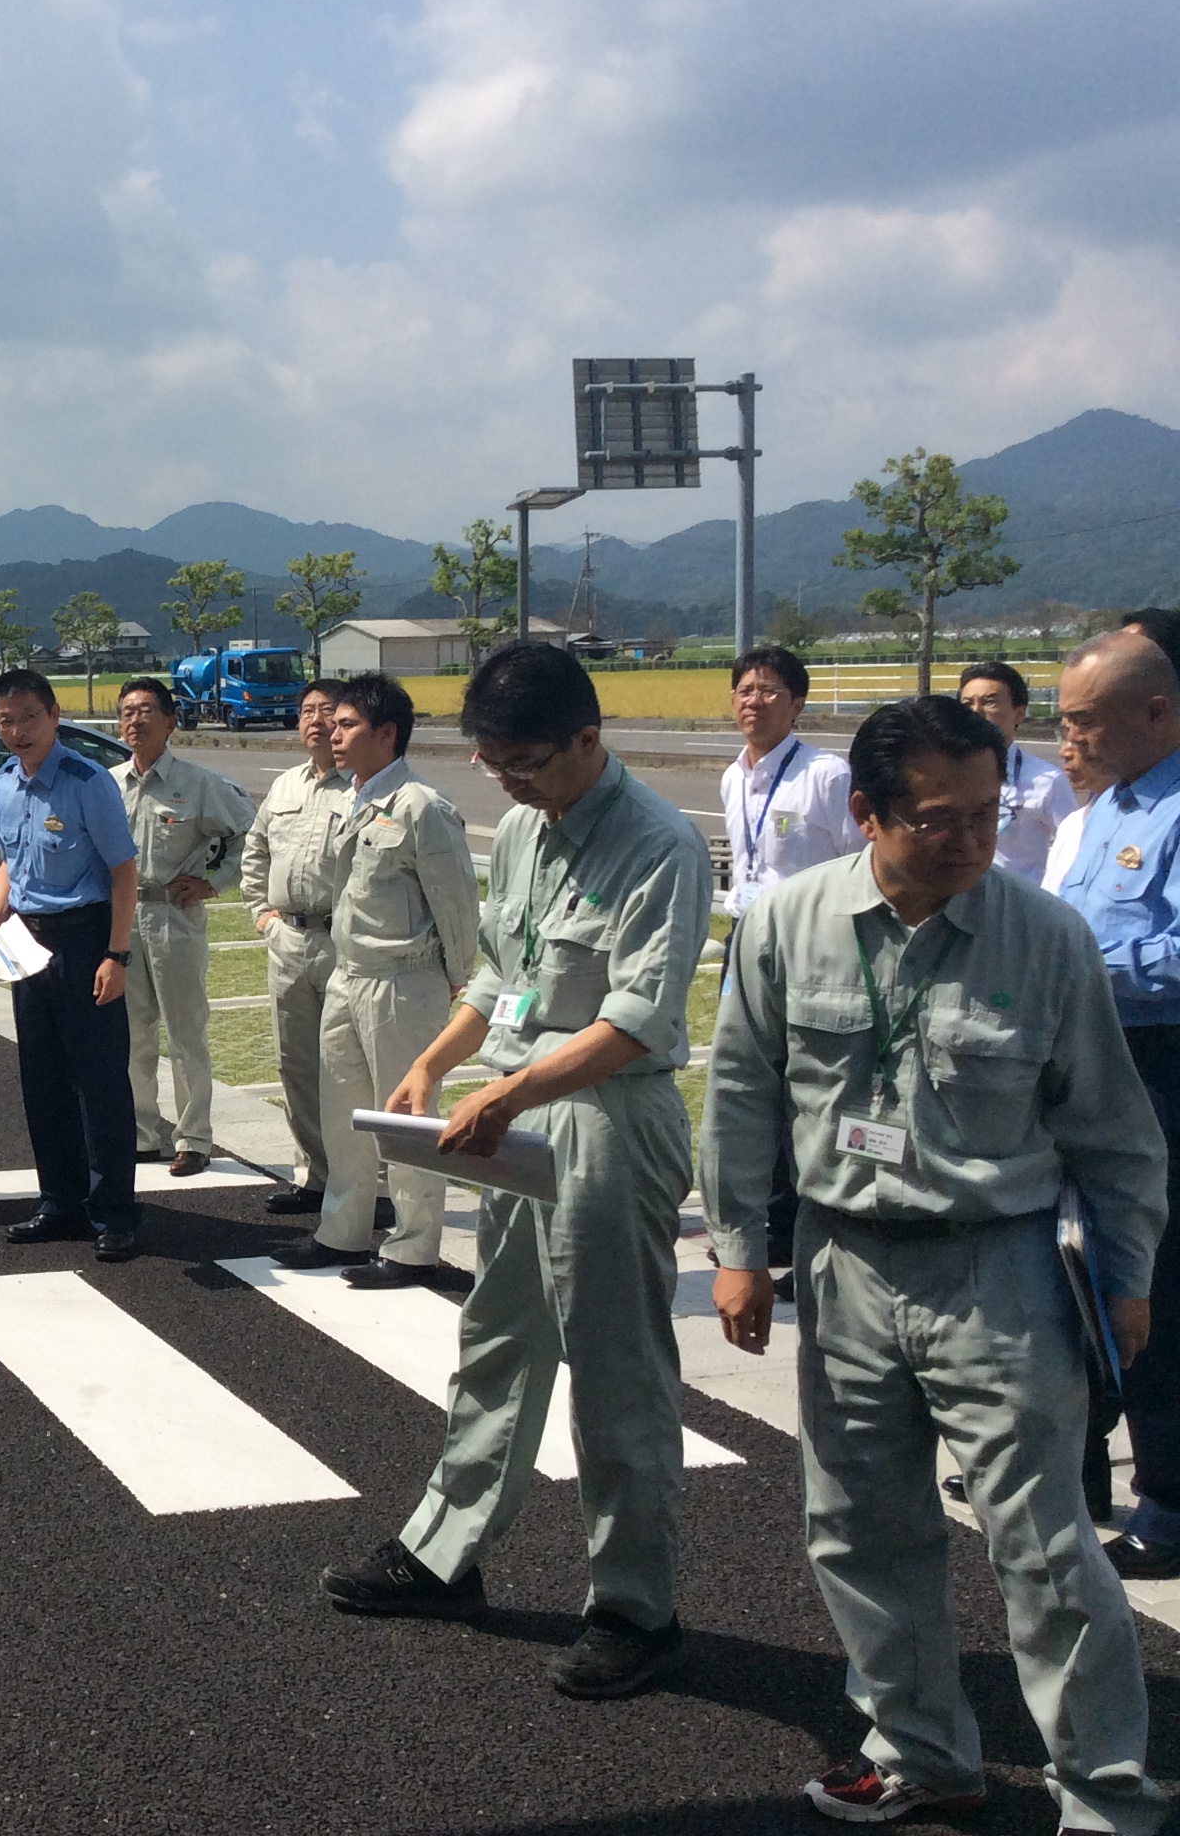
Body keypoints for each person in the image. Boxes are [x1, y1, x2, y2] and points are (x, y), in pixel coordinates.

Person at [704, 693, 1166, 1832]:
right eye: (935, 819)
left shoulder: (1043, 935)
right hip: (844, 1263)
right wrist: (737, 1252)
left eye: (984, 813)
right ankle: (920, 1749)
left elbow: (1114, 1131)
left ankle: (1105, 1788)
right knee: (860, 1527)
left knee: (1047, 1545)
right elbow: (740, 1093)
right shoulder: (784, 923)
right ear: (865, 813)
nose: (969, 839)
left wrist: (1128, 1275)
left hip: (997, 1271)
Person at [319, 643, 711, 1702]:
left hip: (603, 1119)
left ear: (589, 737)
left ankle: (636, 1605)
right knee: (497, 1335)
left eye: (525, 761)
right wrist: (438, 1061)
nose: (508, 781)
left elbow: (636, 1019)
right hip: (520, 1113)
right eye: (491, 762)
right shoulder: (530, 830)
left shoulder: (659, 844)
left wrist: (505, 1092)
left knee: (618, 1366)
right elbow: (504, 969)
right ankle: (446, 1552)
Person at [1056, 631, 1180, 1580]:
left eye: (1083, 720)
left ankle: (1170, 1500)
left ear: (1156, 712)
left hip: (1161, 1066)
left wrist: (1077, 967)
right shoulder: (1107, 808)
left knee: (1161, 1284)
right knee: (1096, 1271)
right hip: (1098, 1066)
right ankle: (1093, 1459)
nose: (1069, 738)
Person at [287, 673, 478, 1286]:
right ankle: (341, 1232)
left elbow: (455, 903)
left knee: (405, 1118)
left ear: (387, 733)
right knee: (345, 1114)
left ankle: (415, 1246)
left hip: (403, 978)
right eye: (331, 724)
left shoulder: (420, 805)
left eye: (346, 725)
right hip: (349, 974)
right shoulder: (353, 795)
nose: (331, 734)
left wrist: (456, 977)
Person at [0, 667, 144, 1262]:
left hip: (84, 938)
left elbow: (124, 872)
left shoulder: (85, 780)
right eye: (6, 720)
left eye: (28, 717)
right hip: (26, 941)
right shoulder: (4, 783)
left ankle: (115, 1211)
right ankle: (61, 1201)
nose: (17, 731)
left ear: (54, 715)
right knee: (41, 1078)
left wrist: (116, 955)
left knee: (98, 1081)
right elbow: (7, 863)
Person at [719, 644, 864, 1282]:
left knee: (809, 1082)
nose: (755, 701)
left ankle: (809, 1224)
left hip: (814, 944)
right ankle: (772, 1226)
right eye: (746, 690)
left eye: (771, 690)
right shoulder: (733, 776)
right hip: (745, 937)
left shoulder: (827, 776)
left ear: (798, 703)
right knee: (751, 1080)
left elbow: (861, 860)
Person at [111, 676, 256, 1174]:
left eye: (148, 710)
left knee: (185, 1030)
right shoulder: (108, 784)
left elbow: (248, 835)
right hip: (122, 919)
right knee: (131, 1033)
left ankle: (194, 1137)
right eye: (128, 711)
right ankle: (140, 1132)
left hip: (175, 915)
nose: (136, 720)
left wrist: (215, 881)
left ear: (171, 721)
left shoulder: (199, 784)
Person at [240, 676, 351, 1217]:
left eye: (327, 710)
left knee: (351, 1067)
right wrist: (263, 915)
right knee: (296, 1063)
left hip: (346, 945)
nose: (315, 720)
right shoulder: (285, 787)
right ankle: (316, 1174)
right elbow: (254, 852)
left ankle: (370, 1185)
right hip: (289, 939)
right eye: (307, 710)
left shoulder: (365, 789)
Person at [957, 660, 1074, 883]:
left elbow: (1074, 848)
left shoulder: (1047, 781)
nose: (976, 712)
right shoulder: (946, 776)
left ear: (1018, 714)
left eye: (989, 702)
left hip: (1018, 909)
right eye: (967, 704)